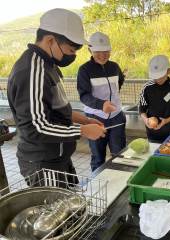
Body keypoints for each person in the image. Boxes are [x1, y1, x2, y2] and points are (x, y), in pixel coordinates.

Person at [7, 9, 106, 186]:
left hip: (59, 155)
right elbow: (35, 127)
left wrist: (85, 120)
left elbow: (57, 108)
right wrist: (82, 131)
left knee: (73, 205)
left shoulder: (49, 65)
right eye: (70, 50)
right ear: (50, 40)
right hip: (42, 163)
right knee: (59, 212)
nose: (73, 56)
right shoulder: (32, 71)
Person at [77, 32, 126, 171]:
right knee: (98, 156)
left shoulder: (115, 67)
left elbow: (119, 82)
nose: (103, 55)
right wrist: (101, 104)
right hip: (95, 119)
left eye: (106, 51)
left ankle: (120, 184)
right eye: (98, 52)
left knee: (120, 154)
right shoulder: (84, 70)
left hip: (116, 117)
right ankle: (98, 186)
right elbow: (84, 95)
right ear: (90, 50)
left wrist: (113, 100)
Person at [139, 55, 170, 143]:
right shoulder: (146, 88)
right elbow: (141, 108)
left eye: (160, 76)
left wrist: (165, 121)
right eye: (155, 76)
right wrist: (146, 120)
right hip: (152, 132)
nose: (158, 79)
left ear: (168, 71)